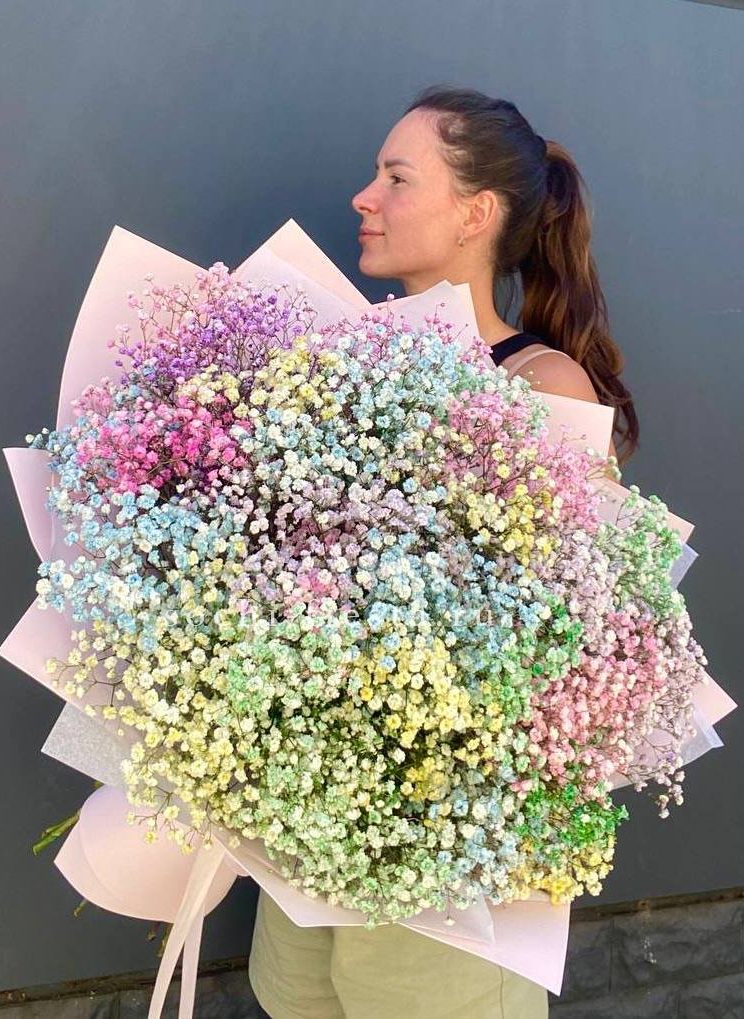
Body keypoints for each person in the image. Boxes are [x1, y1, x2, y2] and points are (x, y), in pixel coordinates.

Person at [248, 83, 640, 1018]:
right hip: (312, 814)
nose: (364, 197)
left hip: (449, 850)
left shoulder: (541, 384)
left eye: (396, 178)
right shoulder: (332, 366)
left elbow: (581, 636)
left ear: (475, 213)